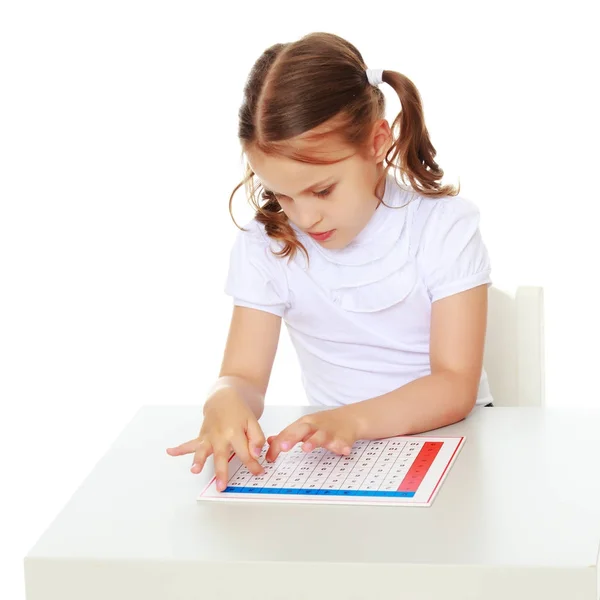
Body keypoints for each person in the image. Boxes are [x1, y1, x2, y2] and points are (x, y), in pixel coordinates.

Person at [166, 32, 492, 492]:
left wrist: (352, 420)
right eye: (281, 194)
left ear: (378, 142)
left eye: (322, 190)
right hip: (342, 460)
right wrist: (223, 399)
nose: (304, 216)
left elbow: (455, 385)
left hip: (457, 447)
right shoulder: (268, 245)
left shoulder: (443, 227)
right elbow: (243, 376)